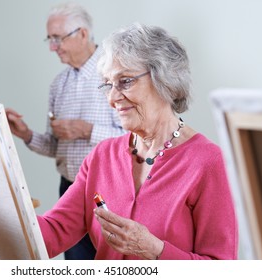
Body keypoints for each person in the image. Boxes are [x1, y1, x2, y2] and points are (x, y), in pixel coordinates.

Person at [36, 23, 238, 260]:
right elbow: (53, 231)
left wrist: (155, 251)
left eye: (126, 81)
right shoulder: (102, 156)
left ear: (166, 80)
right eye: (108, 85)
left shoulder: (208, 162)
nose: (112, 98)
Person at [5, 2, 125, 260]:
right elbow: (54, 146)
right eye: (49, 39)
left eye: (58, 38)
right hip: (69, 190)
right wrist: (26, 134)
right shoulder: (58, 84)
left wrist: (87, 131)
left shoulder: (116, 76)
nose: (52, 47)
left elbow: (135, 140)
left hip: (112, 190)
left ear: (82, 34)